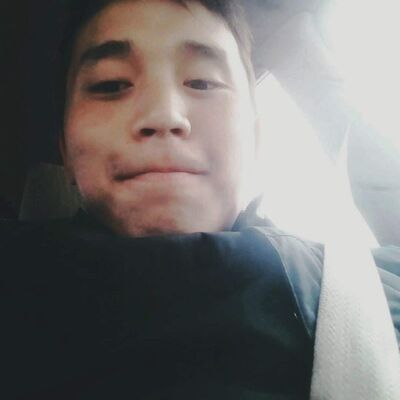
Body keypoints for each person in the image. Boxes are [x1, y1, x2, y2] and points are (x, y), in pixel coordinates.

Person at [1, 1, 399, 399]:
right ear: (65, 149)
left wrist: (297, 48)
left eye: (203, 83)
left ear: (256, 139)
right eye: (110, 85)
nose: (164, 116)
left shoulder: (351, 289)